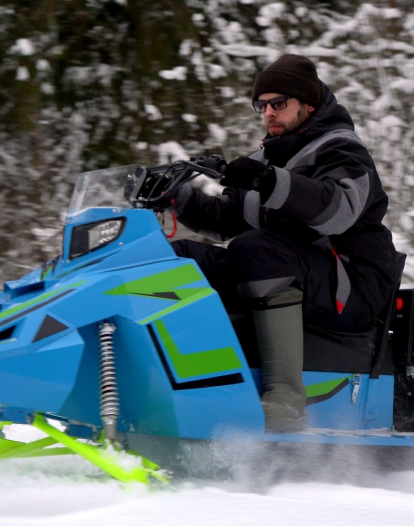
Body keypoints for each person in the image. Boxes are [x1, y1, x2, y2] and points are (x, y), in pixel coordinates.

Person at [169, 54, 397, 433]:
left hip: (353, 283)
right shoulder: (272, 158)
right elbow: (230, 220)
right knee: (179, 261)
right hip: (292, 270)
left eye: (279, 103)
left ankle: (287, 400)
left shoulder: (342, 149)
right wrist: (179, 198)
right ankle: (177, 384)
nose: (269, 113)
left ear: (307, 104)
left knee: (258, 249)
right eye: (262, 106)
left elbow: (338, 209)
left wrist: (266, 180)